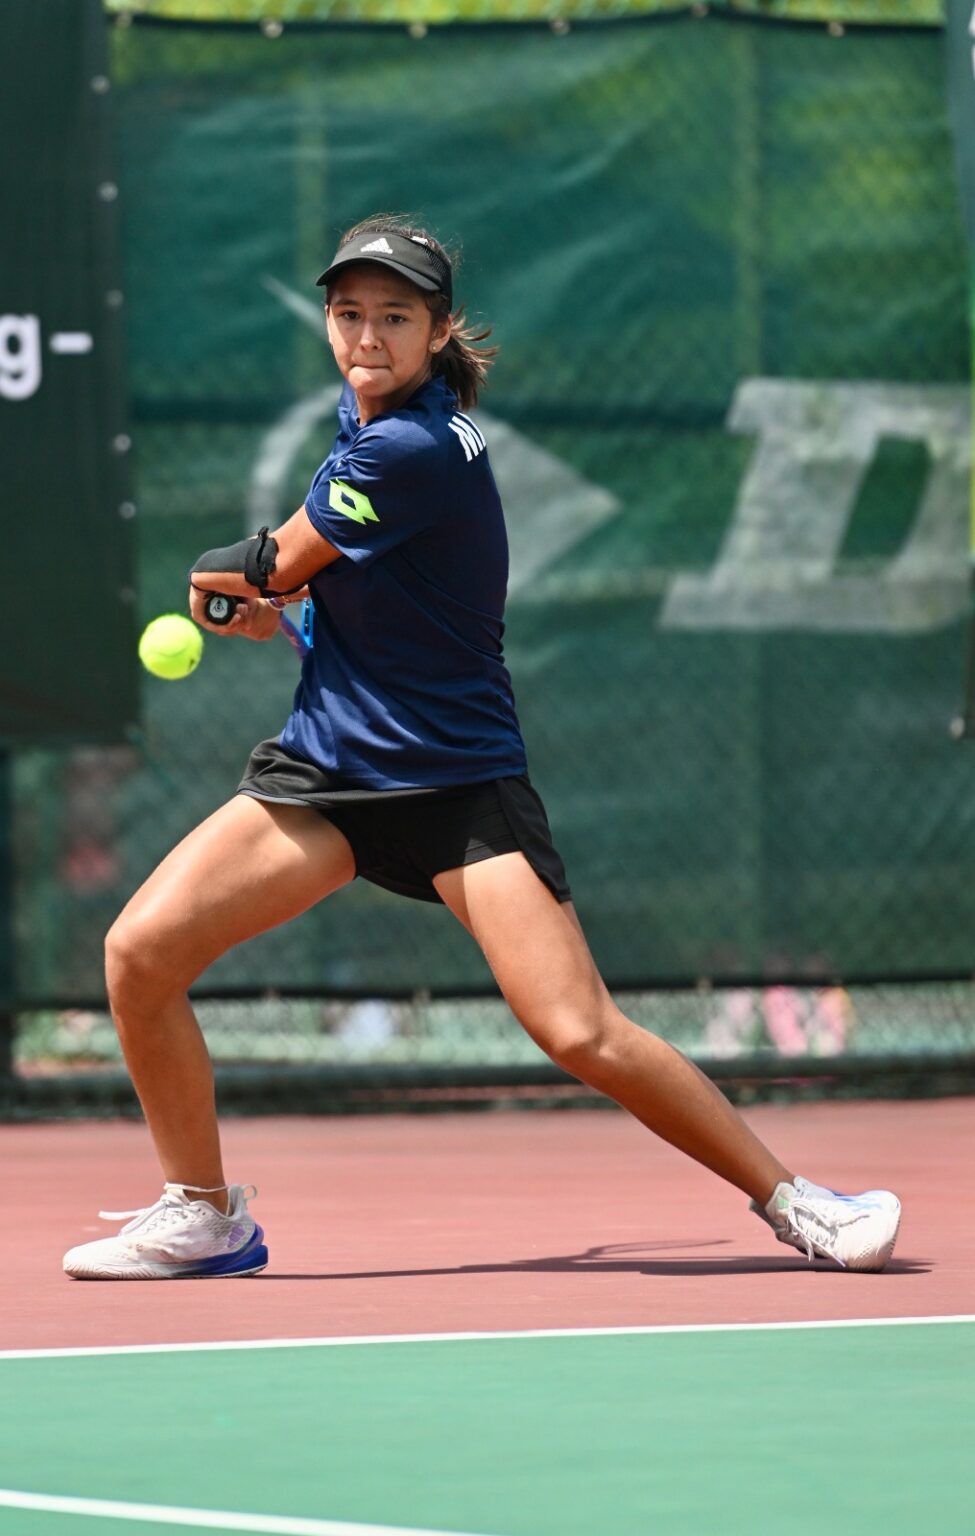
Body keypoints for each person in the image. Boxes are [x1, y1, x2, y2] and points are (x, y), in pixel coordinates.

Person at [63, 216, 901, 1280]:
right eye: (350, 313)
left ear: (438, 330)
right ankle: (203, 1213)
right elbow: (352, 590)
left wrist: (227, 580)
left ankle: (799, 1203)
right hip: (329, 775)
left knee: (579, 1032)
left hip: (455, 785)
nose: (369, 336)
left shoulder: (411, 446)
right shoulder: (363, 419)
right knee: (140, 954)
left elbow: (275, 558)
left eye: (395, 317)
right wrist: (291, 616)